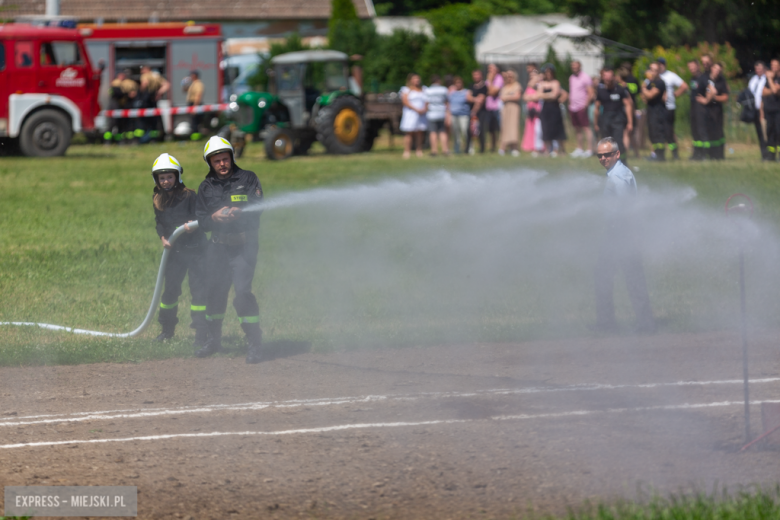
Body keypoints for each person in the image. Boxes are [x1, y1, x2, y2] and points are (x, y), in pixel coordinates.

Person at [194, 137, 265, 363]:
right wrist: (213, 218)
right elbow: (202, 220)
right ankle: (213, 340)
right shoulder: (205, 188)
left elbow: (258, 209)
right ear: (210, 163)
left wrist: (242, 212)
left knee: (242, 293)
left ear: (232, 157)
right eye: (217, 161)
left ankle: (255, 343)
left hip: (244, 246)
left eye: (225, 159)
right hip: (217, 248)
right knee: (214, 293)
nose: (222, 164)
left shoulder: (248, 178)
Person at [593, 137, 656, 334]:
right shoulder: (621, 171)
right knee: (630, 276)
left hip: (620, 232)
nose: (603, 159)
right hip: (622, 231)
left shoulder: (616, 177)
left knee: (608, 276)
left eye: (607, 155)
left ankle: (608, 323)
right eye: (600, 155)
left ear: (617, 154)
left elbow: (625, 206)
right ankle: (643, 322)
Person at [150, 153, 209, 345]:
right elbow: (159, 222)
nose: (166, 181)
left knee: (198, 290)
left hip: (196, 250)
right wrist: (163, 238)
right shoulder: (158, 199)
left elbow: (203, 218)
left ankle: (201, 330)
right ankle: (167, 330)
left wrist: (192, 225)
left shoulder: (189, 196)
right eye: (162, 178)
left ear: (177, 176)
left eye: (169, 177)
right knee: (170, 292)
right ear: (157, 180)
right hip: (174, 252)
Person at [593, 66, 633, 166]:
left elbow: (628, 105)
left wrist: (630, 122)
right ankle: (609, 164)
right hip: (605, 119)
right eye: (605, 77)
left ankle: (623, 163)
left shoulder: (620, 89)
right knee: (606, 144)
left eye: (609, 77)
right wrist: (596, 123)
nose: (607, 79)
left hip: (617, 119)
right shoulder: (600, 90)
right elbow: (596, 108)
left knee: (618, 143)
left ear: (613, 77)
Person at [697, 60, 729, 160]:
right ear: (712, 68)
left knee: (718, 134)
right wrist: (706, 100)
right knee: (707, 133)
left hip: (717, 111)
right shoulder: (704, 79)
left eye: (719, 70)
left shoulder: (722, 80)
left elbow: (725, 97)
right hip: (706, 111)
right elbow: (699, 95)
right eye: (715, 69)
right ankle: (708, 155)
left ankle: (719, 155)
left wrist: (714, 97)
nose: (717, 71)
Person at [657, 57, 688, 160]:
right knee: (659, 131)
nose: (659, 66)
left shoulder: (670, 75)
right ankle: (658, 154)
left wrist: (675, 94)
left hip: (669, 108)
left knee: (669, 131)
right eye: (658, 64)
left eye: (661, 64)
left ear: (664, 65)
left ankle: (675, 154)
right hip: (658, 108)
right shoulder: (655, 77)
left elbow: (684, 86)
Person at [537, 63, 566, 156]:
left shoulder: (556, 82)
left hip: (555, 109)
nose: (548, 74)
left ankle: (562, 150)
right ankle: (548, 149)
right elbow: (539, 95)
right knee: (546, 129)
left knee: (557, 129)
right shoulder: (542, 83)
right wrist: (549, 95)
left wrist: (545, 95)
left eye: (550, 72)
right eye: (547, 72)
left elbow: (554, 95)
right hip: (546, 109)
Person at [568, 60, 594, 157]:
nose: (574, 68)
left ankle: (589, 149)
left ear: (579, 66)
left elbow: (590, 92)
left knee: (586, 128)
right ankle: (579, 148)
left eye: (576, 66)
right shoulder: (571, 78)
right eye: (572, 66)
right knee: (577, 128)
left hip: (581, 106)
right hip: (573, 107)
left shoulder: (585, 77)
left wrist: (585, 104)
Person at [641, 62, 667, 160]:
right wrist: (645, 91)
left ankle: (660, 156)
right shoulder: (650, 83)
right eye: (651, 70)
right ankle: (655, 154)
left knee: (658, 134)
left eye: (655, 70)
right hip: (651, 111)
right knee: (652, 133)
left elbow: (650, 95)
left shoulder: (660, 83)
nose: (653, 72)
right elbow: (644, 97)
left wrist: (644, 90)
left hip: (658, 112)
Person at [400, 73, 428, 159]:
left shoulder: (423, 89)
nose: (417, 80)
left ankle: (419, 150)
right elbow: (405, 101)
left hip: (421, 114)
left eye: (418, 79)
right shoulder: (406, 90)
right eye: (415, 79)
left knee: (420, 132)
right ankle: (407, 151)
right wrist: (416, 109)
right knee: (409, 132)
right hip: (410, 114)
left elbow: (427, 100)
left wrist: (424, 109)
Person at [139, 65, 170, 142]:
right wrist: (159, 93)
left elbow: (144, 83)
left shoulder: (145, 76)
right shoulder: (156, 75)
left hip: (146, 99)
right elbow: (167, 85)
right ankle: (156, 138)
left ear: (146, 69)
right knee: (155, 120)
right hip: (154, 99)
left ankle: (145, 139)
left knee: (145, 120)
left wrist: (140, 93)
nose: (141, 71)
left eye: (142, 69)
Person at [618, 62, 640, 159]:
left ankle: (624, 155)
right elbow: (637, 92)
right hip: (631, 109)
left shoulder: (622, 86)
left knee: (626, 133)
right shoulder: (634, 80)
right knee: (630, 134)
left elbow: (629, 100)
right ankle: (637, 153)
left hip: (626, 110)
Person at [748, 61, 769, 160]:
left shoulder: (767, 79)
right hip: (755, 110)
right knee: (760, 133)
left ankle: (769, 154)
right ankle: (763, 154)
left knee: (767, 133)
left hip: (764, 110)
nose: (758, 71)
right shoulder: (753, 80)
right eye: (756, 69)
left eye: (760, 69)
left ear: (764, 69)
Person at [498, 70, 522, 156]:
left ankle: (514, 147)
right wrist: (510, 95)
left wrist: (507, 97)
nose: (509, 78)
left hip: (514, 108)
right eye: (508, 76)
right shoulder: (504, 87)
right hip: (505, 109)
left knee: (513, 126)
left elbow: (517, 97)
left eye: (511, 76)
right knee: (505, 127)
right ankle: (503, 147)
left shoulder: (517, 85)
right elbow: (501, 97)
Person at [425, 74, 449, 156]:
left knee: (433, 132)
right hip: (441, 112)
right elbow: (447, 102)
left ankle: (434, 151)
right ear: (439, 80)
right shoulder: (444, 89)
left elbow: (427, 103)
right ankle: (445, 150)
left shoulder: (428, 90)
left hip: (432, 113)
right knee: (442, 131)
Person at [521, 68, 543, 155]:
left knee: (538, 130)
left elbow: (538, 96)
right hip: (530, 111)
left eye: (534, 75)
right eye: (531, 76)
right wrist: (531, 97)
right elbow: (525, 97)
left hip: (538, 111)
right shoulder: (529, 86)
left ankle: (539, 147)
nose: (532, 77)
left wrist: (531, 97)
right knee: (530, 129)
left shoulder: (540, 84)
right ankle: (531, 146)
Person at [686, 59, 705, 160]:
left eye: (693, 67)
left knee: (701, 130)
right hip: (693, 107)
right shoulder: (692, 79)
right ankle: (696, 153)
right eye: (690, 68)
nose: (692, 69)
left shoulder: (703, 78)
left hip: (700, 108)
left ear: (698, 66)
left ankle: (703, 154)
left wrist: (705, 100)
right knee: (694, 131)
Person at [466, 69, 488, 154]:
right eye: (474, 75)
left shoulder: (484, 87)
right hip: (472, 112)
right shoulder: (471, 85)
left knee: (481, 130)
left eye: (477, 75)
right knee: (469, 130)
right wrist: (475, 99)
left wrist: (474, 111)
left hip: (481, 112)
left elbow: (481, 100)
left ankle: (482, 149)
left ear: (481, 76)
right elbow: (468, 97)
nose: (476, 76)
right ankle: (467, 149)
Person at [447, 76, 471, 154]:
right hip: (454, 115)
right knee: (455, 133)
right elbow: (448, 103)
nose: (458, 84)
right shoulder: (452, 93)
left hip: (464, 115)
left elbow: (470, 99)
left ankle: (469, 148)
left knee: (465, 131)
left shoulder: (466, 92)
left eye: (459, 82)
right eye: (456, 83)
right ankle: (457, 149)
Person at [763, 59, 780, 162]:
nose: (773, 67)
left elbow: (775, 90)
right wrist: (772, 88)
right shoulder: (769, 79)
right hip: (769, 110)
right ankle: (771, 155)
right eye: (772, 65)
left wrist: (769, 79)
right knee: (770, 132)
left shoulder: (773, 78)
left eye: (775, 65)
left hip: (778, 110)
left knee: (779, 132)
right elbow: (763, 92)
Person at [485, 63, 504, 153]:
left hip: (497, 107)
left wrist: (490, 81)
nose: (489, 71)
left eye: (491, 69)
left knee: (499, 129)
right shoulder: (488, 80)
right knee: (491, 130)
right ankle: (492, 147)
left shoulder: (499, 78)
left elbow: (492, 92)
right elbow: (486, 92)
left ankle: (502, 146)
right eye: (489, 69)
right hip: (489, 107)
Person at [185, 70, 205, 134]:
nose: (190, 76)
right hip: (192, 104)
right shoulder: (192, 84)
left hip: (195, 104)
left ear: (195, 75)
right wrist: (184, 83)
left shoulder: (198, 84)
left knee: (195, 121)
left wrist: (195, 107)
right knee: (192, 121)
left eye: (191, 75)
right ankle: (194, 134)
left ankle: (196, 136)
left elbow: (198, 96)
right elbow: (185, 90)